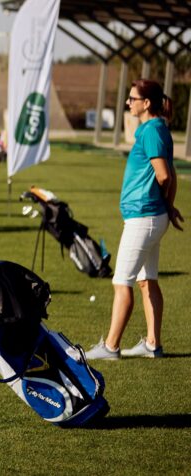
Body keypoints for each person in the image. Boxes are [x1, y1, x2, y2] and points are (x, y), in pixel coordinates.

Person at [86, 79, 183, 360]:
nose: (128, 103)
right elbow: (170, 175)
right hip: (151, 216)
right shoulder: (157, 129)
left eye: (132, 98)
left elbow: (164, 174)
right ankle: (153, 344)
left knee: (122, 281)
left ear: (146, 103)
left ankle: (111, 347)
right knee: (147, 280)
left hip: (144, 217)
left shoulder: (151, 130)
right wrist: (169, 205)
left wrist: (164, 201)